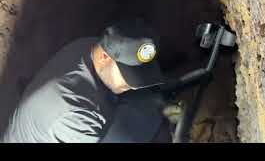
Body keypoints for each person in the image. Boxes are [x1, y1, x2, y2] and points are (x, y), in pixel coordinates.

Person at [1, 18, 210, 143]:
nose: (130, 84)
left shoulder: (92, 46)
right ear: (104, 57)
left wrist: (160, 102)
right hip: (64, 127)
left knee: (149, 108)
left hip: (55, 122)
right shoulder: (77, 113)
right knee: (143, 123)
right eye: (128, 76)